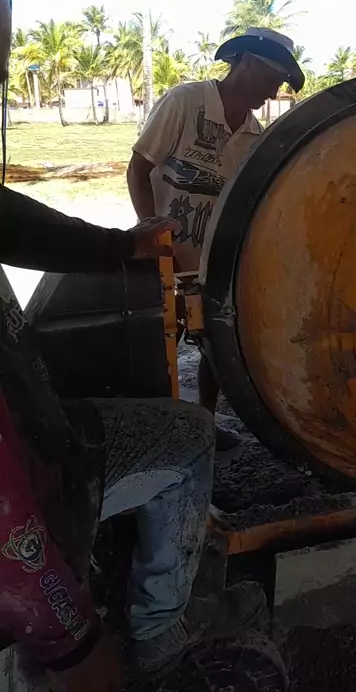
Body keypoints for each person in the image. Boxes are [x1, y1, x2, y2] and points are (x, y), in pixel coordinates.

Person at [0, 0, 265, 692]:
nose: (8, 16)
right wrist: (71, 637)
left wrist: (120, 246)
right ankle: (156, 638)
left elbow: (9, 219)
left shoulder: (252, 135)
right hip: (32, 484)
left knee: (195, 386)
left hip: (44, 423)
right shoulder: (186, 103)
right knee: (186, 437)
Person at [128, 26, 305, 449]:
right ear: (246, 62)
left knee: (215, 343)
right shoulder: (185, 103)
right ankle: (160, 432)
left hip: (212, 263)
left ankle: (204, 423)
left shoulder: (254, 137)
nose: (272, 92)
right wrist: (152, 231)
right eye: (271, 79)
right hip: (164, 254)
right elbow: (138, 169)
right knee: (160, 346)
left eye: (279, 84)